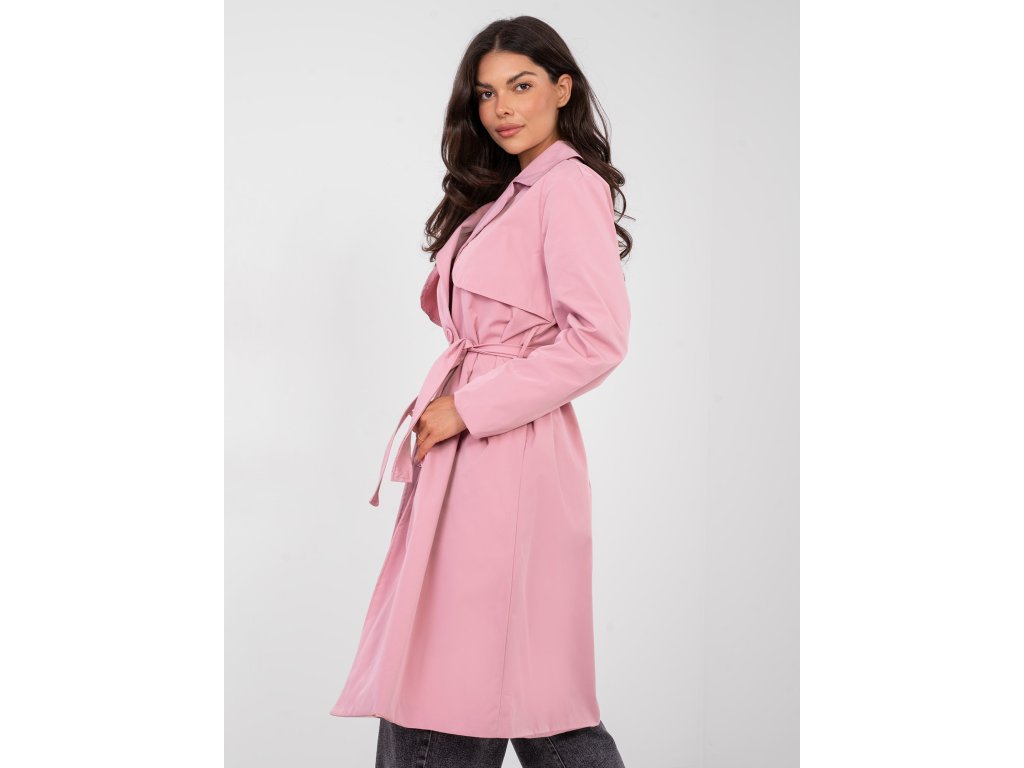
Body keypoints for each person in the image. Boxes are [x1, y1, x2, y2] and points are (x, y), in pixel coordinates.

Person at [330, 16, 632, 767]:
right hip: (480, 452)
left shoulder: (567, 187)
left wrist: (468, 407)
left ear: (563, 88)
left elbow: (597, 339)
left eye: (521, 86)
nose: (502, 108)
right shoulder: (510, 193)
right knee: (514, 681)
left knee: (453, 673)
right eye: (487, 93)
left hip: (506, 455)